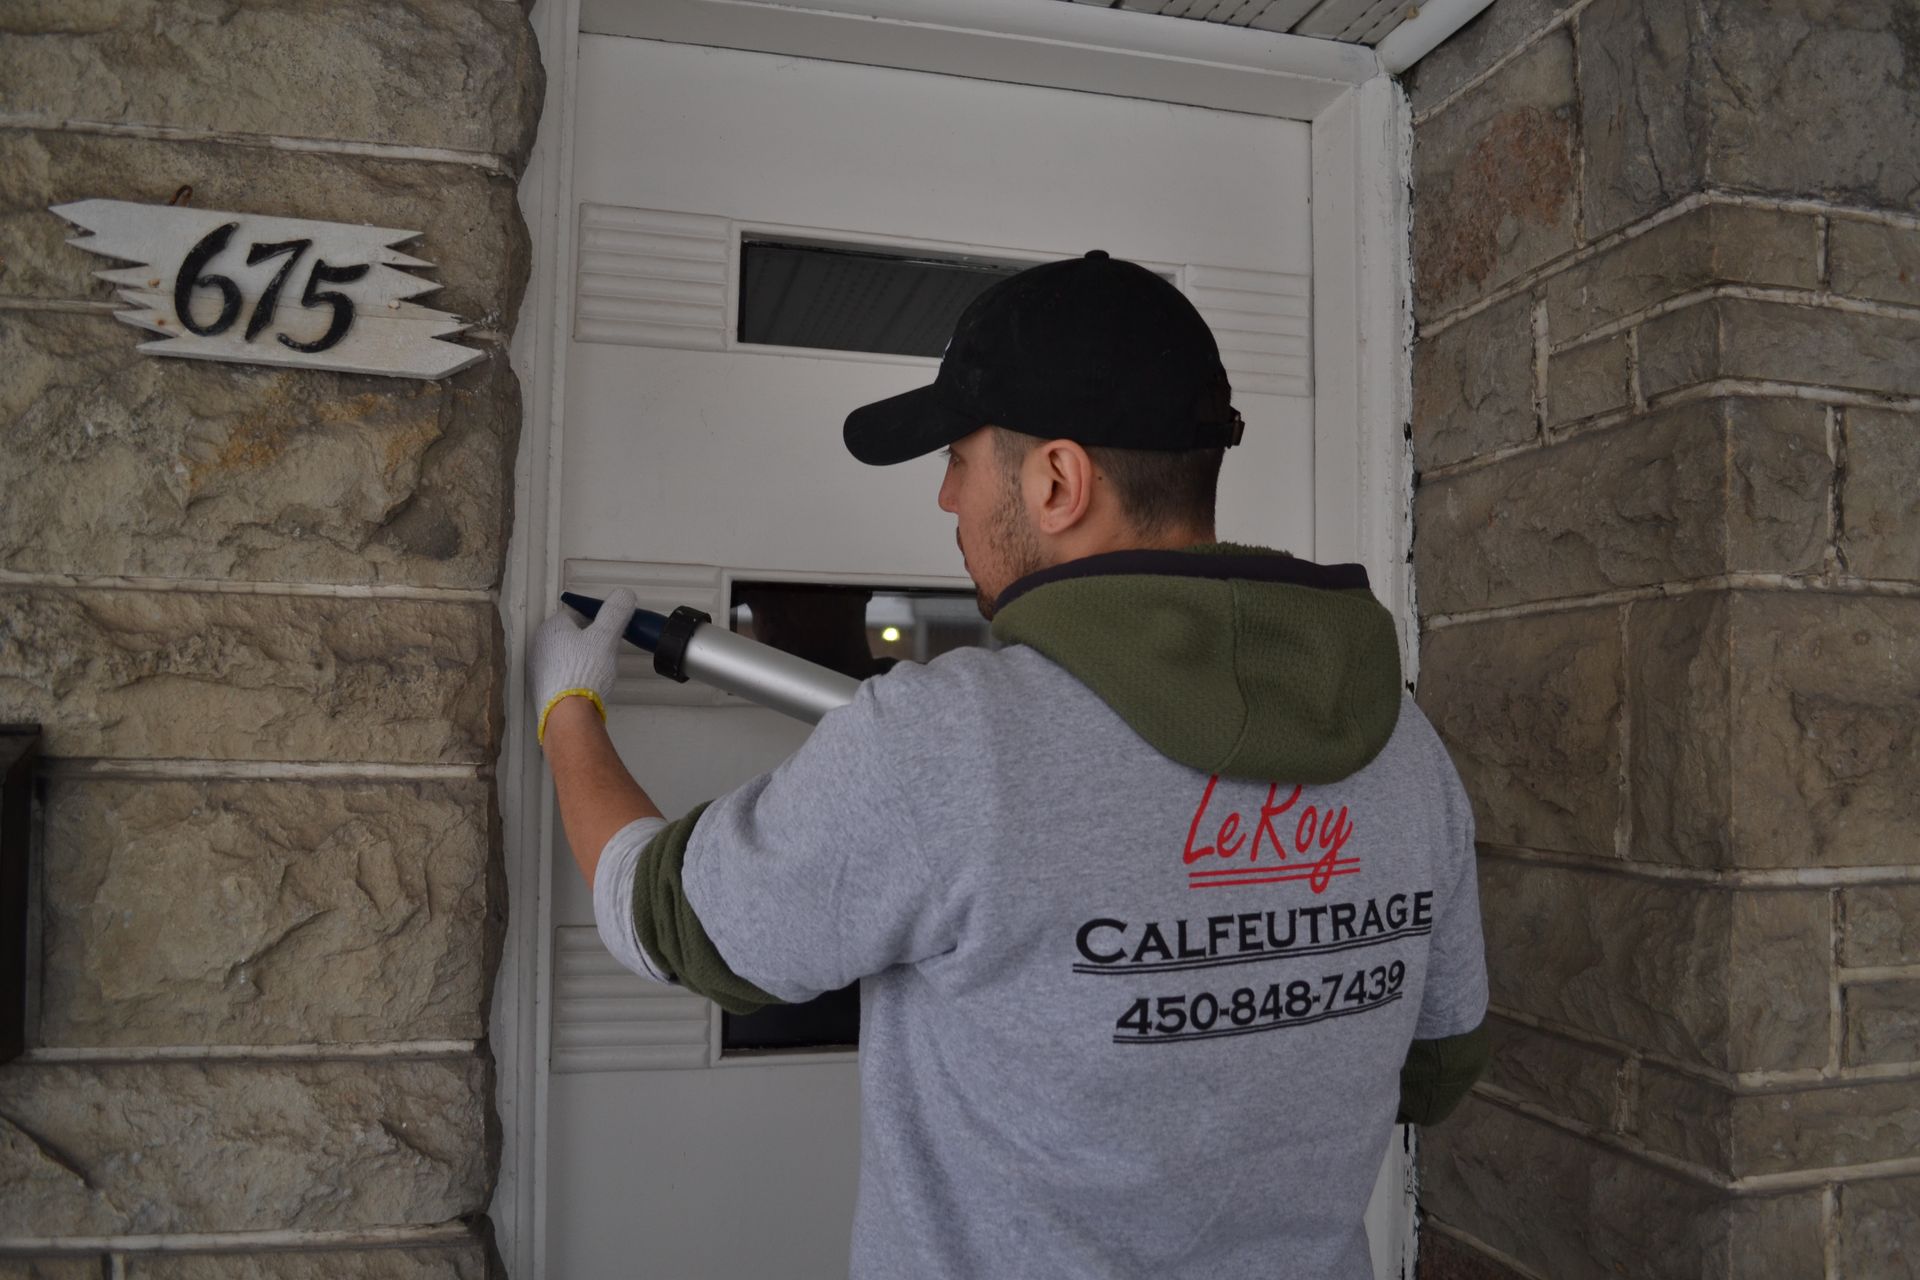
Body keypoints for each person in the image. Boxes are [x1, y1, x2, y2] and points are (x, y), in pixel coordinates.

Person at [529, 251, 1489, 1279]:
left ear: (1057, 479)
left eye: (959, 457)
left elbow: (667, 919)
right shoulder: (1402, 745)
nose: (945, 495)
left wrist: (568, 709)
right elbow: (1432, 1069)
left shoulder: (949, 744)